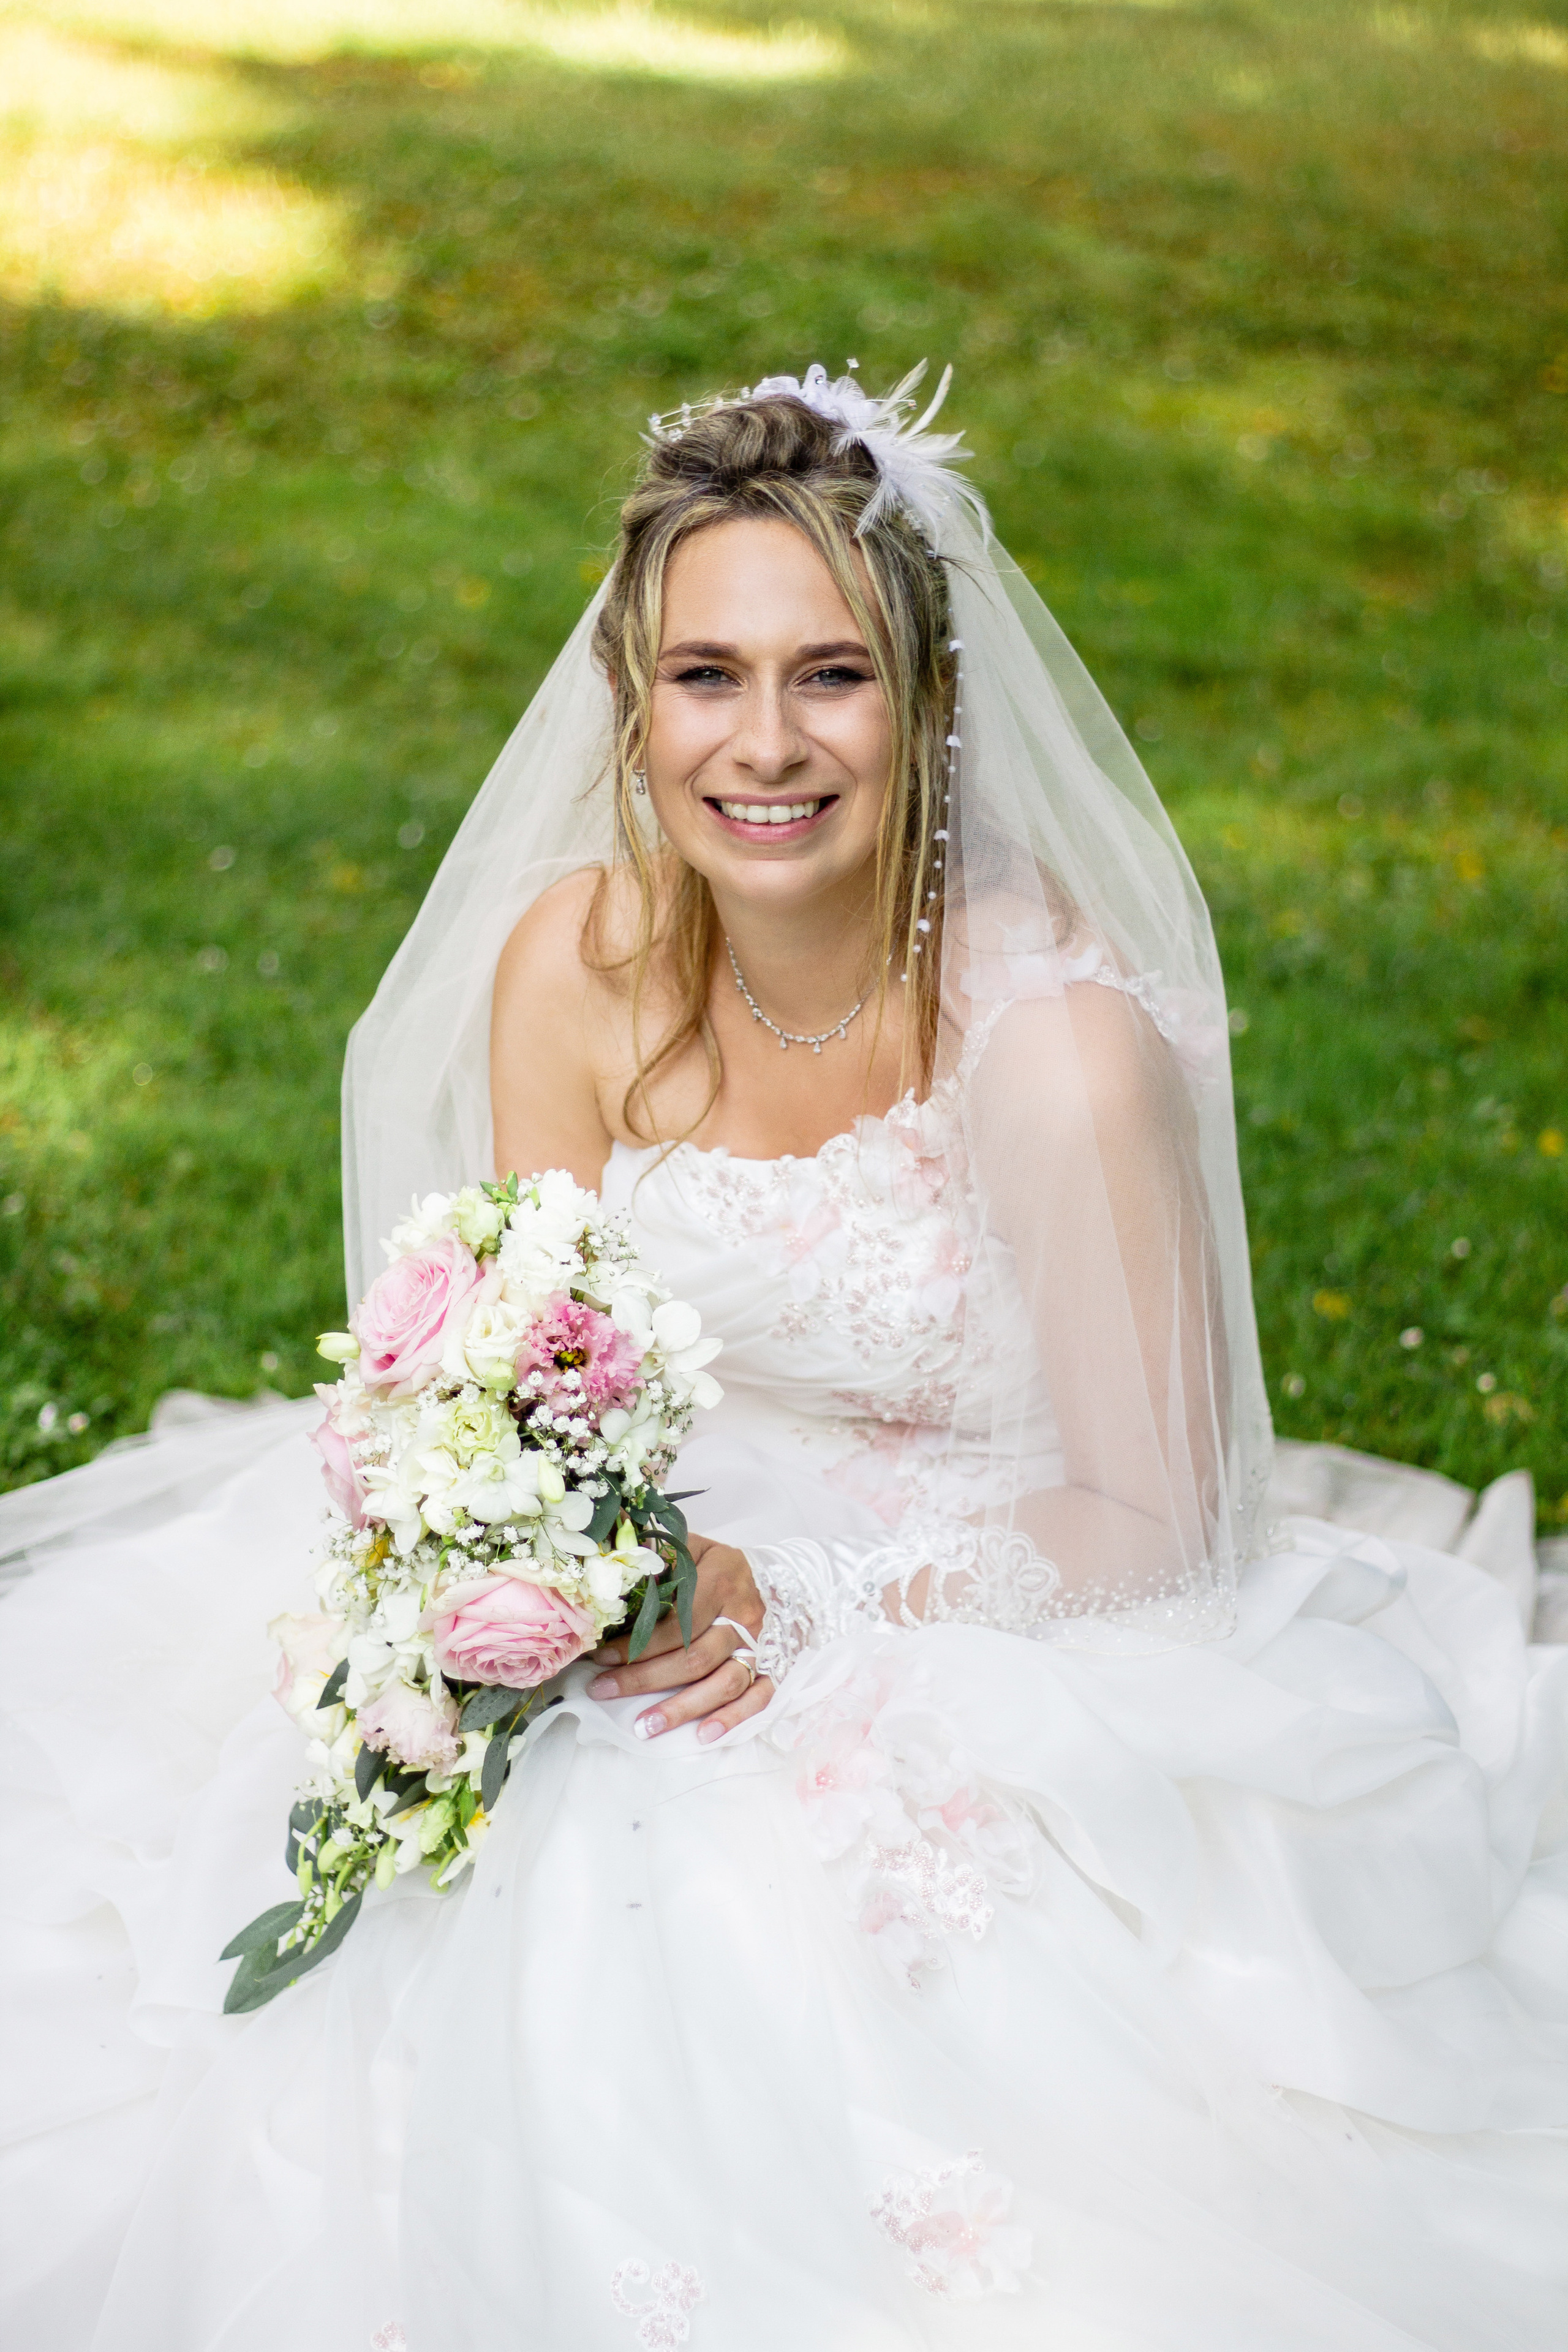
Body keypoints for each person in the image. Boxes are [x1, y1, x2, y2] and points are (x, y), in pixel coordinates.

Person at [1, 366, 1564, 2352]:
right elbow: (524, 1344)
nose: (763, 744)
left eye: (830, 677)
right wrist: (533, 1555)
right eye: (704, 676)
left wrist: (805, 1603)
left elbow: (1161, 1517)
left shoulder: (1059, 1054)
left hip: (986, 1583)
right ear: (631, 705)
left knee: (736, 1918)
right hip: (665, 1524)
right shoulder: (570, 964)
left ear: (924, 709)